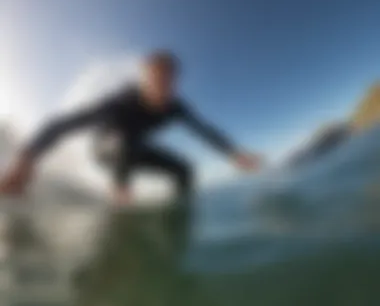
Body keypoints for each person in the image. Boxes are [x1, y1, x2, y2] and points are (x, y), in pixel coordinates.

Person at [0, 50, 264, 205]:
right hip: (105, 151)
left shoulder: (175, 107)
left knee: (185, 170)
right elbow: (62, 124)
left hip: (134, 151)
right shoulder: (120, 101)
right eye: (154, 81)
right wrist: (25, 159)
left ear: (174, 83)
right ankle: (120, 193)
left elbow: (204, 130)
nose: (160, 89)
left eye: (167, 83)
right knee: (125, 140)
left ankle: (176, 224)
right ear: (145, 79)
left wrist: (234, 154)